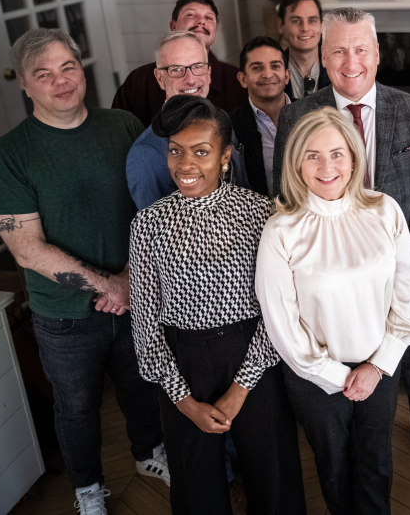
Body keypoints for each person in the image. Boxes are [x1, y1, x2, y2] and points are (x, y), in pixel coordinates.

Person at [0, 29, 168, 515]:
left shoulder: (124, 126)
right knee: (77, 407)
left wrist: (131, 277)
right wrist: (109, 285)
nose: (60, 81)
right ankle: (88, 490)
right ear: (25, 85)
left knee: (143, 387)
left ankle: (150, 455)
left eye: (67, 67)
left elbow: (152, 208)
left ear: (80, 68)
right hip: (64, 315)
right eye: (43, 74)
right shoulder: (10, 153)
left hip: (136, 295)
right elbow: (26, 249)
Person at [271, 8, 410, 490]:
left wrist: (399, 266)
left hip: (406, 268)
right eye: (338, 51)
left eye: (359, 49)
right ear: (323, 57)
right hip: (325, 285)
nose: (349, 61)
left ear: (376, 54)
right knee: (344, 385)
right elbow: (287, 197)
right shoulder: (296, 114)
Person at [129, 96, 305, 515]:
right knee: (196, 482)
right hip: (182, 361)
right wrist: (184, 400)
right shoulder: (147, 225)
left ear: (225, 156)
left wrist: (240, 388)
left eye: (201, 151)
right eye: (175, 151)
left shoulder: (263, 215)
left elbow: (277, 309)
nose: (185, 164)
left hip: (255, 355)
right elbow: (145, 325)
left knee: (273, 472)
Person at [257, 108, 410, 514]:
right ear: (296, 162)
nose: (326, 166)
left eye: (336, 153)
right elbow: (282, 325)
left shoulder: (384, 210)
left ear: (354, 157)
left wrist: (376, 367)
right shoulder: (281, 230)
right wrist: (340, 375)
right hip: (314, 377)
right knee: (333, 467)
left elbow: (408, 302)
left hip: (379, 367)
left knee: (376, 463)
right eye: (312, 155)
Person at [127, 31, 248, 210]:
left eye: (197, 66)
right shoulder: (146, 154)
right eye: (176, 69)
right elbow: (157, 231)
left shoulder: (221, 120)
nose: (190, 79)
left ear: (208, 73)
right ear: (160, 78)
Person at [112, 0, 247, 126]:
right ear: (173, 26)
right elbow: (121, 132)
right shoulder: (138, 80)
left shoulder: (236, 80)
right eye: (190, 15)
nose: (201, 21)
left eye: (209, 18)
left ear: (215, 31)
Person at [230, 36, 290, 197]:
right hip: (258, 219)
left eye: (275, 66)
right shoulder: (230, 127)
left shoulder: (311, 115)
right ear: (243, 79)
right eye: (257, 68)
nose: (267, 74)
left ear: (286, 75)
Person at [276, 0, 331, 100]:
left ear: (321, 25)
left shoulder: (339, 68)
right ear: (281, 26)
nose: (305, 28)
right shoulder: (272, 74)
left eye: (312, 20)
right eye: (296, 21)